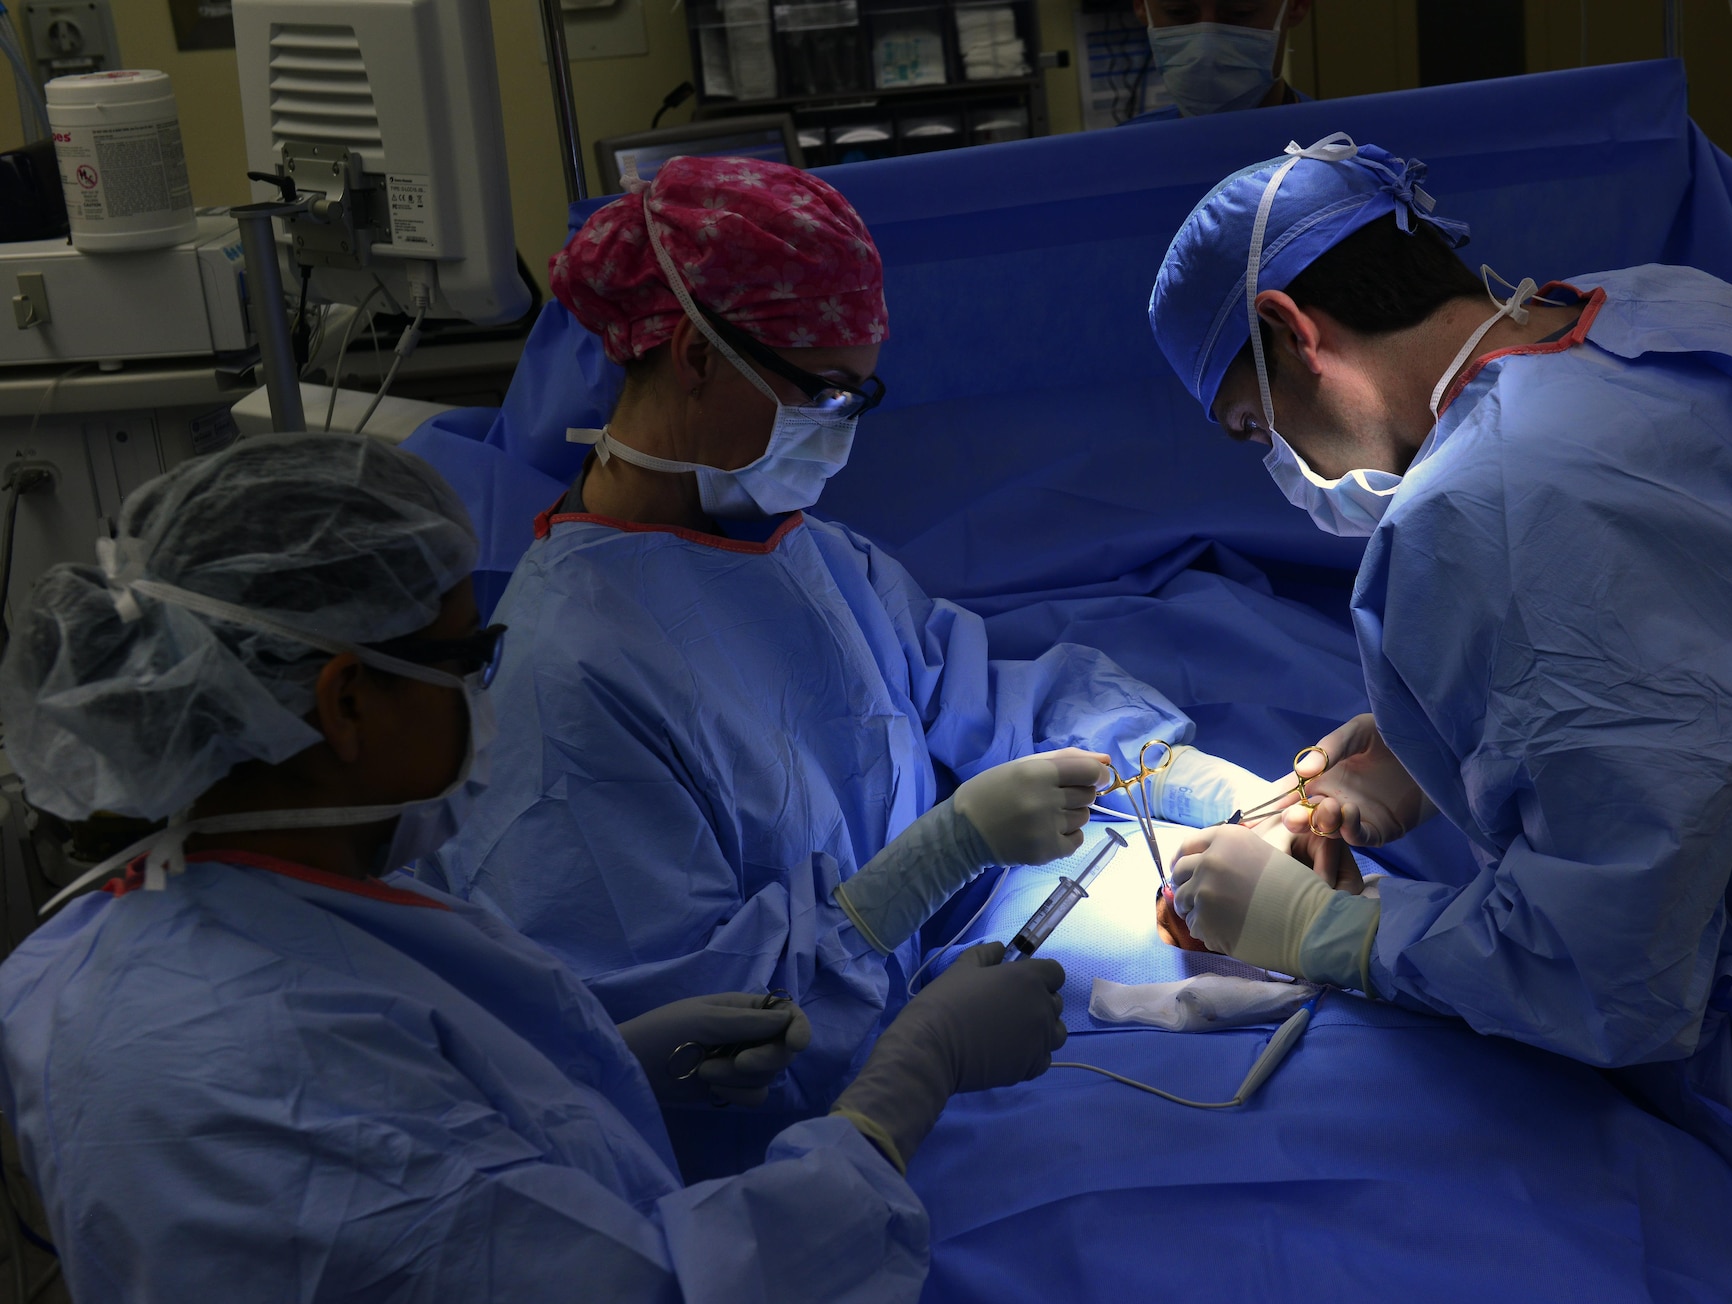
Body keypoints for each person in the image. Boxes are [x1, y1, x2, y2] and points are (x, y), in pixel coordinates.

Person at [1148, 134, 1732, 1304]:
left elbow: (1610, 973)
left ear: (1290, 323)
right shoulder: (1687, 318)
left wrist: (1324, 929)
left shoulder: (1490, 504)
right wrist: (1441, 735)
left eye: (1258, 423)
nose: (1285, 461)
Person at [0, 434, 1069, 1304]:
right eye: (468, 660)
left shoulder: (130, 932)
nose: (490, 695)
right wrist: (903, 1089)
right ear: (345, 704)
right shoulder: (256, 1056)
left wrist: (601, 1071)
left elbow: (437, 1132)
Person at [420, 156, 1275, 1119]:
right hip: (812, 1130)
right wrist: (933, 862)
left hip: (932, 987)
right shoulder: (565, 676)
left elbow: (980, 692)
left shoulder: (805, 555)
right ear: (698, 356)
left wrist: (1204, 781)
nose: (840, 431)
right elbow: (688, 1055)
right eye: (826, 393)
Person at [1127, 0, 1313, 121]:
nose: (1206, 49)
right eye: (1179, 12)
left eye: (1240, 12)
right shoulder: (1118, 154)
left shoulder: (1336, 152)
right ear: (1141, 6)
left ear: (1295, 5)